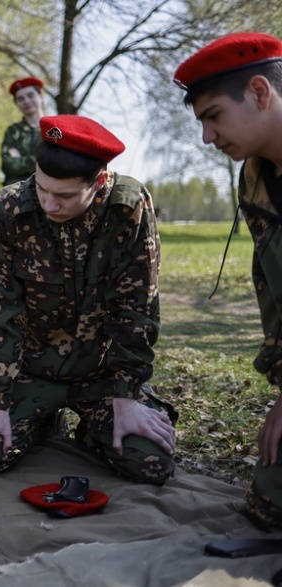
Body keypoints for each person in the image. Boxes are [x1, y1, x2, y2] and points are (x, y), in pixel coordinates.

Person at [0, 114, 176, 486]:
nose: (49, 205)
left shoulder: (128, 207)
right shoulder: (11, 208)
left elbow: (138, 307)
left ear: (100, 181)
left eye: (65, 195)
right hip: (30, 373)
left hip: (102, 377)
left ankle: (92, 431)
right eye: (41, 189)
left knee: (151, 463)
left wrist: (127, 395)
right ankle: (41, 421)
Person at [174, 32, 282, 531]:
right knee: (268, 509)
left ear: (260, 93)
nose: (207, 138)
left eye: (214, 116)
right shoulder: (255, 178)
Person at [0, 77, 45, 186]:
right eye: (20, 99)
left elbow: (57, 162)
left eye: (30, 95)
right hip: (18, 193)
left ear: (41, 96)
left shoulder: (54, 129)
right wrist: (41, 161)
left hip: (49, 192)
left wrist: (21, 160)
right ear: (16, 103)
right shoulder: (13, 131)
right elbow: (7, 165)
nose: (26, 101)